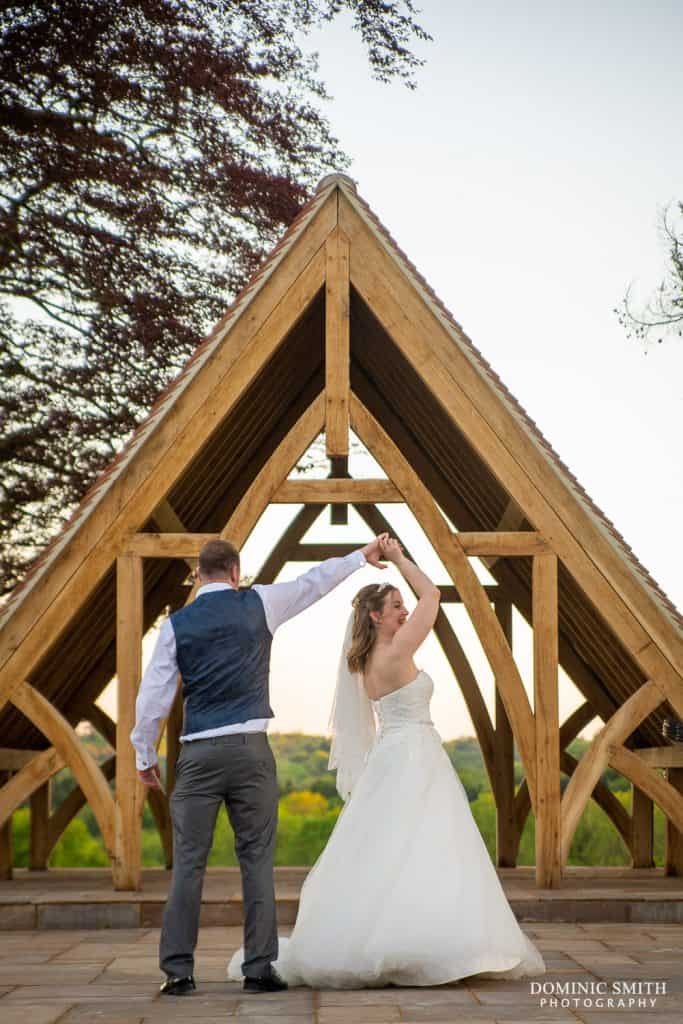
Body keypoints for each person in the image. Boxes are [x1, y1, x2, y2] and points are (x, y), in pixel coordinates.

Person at [228, 537, 545, 987]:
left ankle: (396, 938)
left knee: (393, 847)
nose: (403, 610)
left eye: (403, 604)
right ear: (375, 617)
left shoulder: (365, 660)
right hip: (415, 755)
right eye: (396, 605)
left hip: (393, 757)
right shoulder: (396, 651)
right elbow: (433, 595)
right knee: (427, 846)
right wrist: (397, 558)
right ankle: (421, 942)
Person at [130, 533, 390, 995]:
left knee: (188, 864)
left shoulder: (176, 625)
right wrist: (358, 557)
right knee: (256, 860)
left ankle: (178, 972)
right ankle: (258, 969)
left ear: (198, 575)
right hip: (250, 750)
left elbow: (153, 697)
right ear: (235, 572)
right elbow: (313, 582)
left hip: (197, 754)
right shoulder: (261, 603)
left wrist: (144, 755)